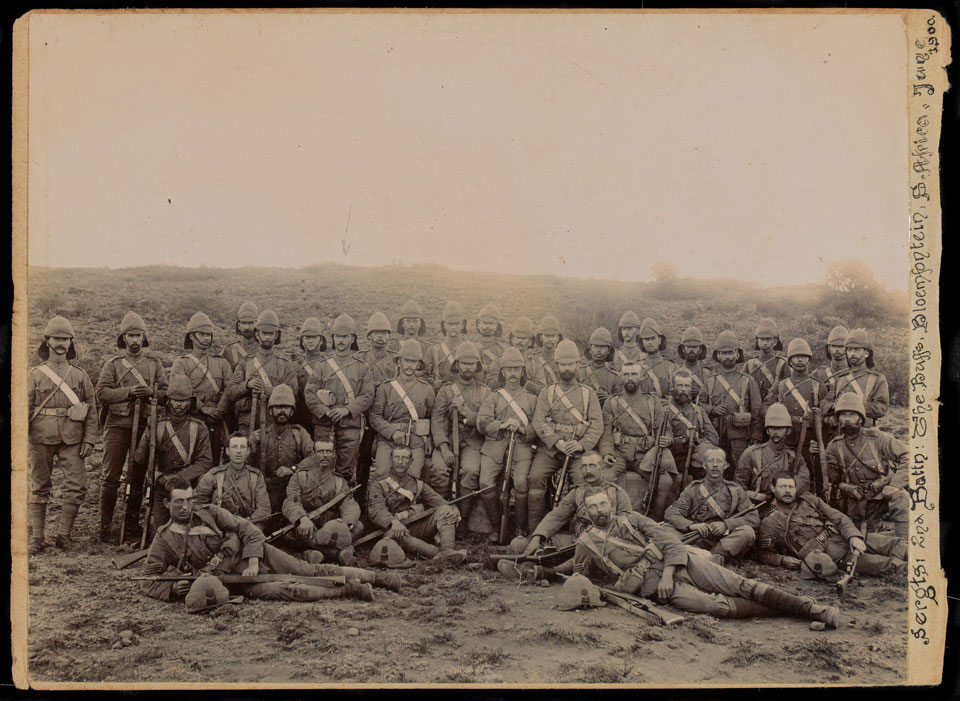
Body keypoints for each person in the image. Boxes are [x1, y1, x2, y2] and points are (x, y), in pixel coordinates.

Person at [571, 490, 840, 627]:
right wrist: (543, 572)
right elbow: (576, 574)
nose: (600, 510)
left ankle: (809, 609)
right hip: (653, 589)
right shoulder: (586, 543)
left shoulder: (632, 519)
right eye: (593, 506)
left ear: (611, 504)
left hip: (680, 562)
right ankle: (793, 608)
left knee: (740, 584)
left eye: (603, 504)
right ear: (586, 510)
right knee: (718, 608)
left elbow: (669, 542)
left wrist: (667, 573)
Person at [139, 477, 399, 604]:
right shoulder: (163, 540)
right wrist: (172, 590)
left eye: (189, 500)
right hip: (235, 582)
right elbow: (149, 579)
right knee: (291, 590)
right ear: (166, 503)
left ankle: (377, 578)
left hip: (256, 555)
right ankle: (352, 589)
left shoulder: (210, 512)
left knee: (309, 570)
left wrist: (253, 558)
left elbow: (249, 530)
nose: (186, 507)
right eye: (178, 502)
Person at [96, 311, 168, 543]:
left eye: (139, 335)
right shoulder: (113, 365)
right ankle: (105, 526)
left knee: (137, 476)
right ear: (123, 338)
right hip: (117, 426)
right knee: (111, 477)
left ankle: (131, 524)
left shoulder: (154, 364)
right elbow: (102, 393)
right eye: (130, 335)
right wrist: (128, 392)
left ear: (144, 337)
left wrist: (151, 392)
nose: (135, 340)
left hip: (144, 427)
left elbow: (167, 394)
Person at [28, 316, 98, 553]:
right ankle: (37, 538)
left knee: (77, 486)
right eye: (56, 338)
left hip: (72, 438)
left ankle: (63, 535)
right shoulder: (34, 375)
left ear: (71, 343)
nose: (61, 343)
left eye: (65, 339)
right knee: (39, 486)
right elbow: (23, 409)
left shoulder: (79, 376)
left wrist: (89, 439)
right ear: (46, 341)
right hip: (40, 436)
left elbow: (92, 409)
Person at [758, 472, 906, 577]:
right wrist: (782, 560)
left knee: (893, 544)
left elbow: (839, 518)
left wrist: (854, 537)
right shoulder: (771, 521)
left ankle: (922, 557)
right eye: (783, 487)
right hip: (834, 554)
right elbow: (762, 554)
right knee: (888, 565)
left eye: (791, 487)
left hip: (844, 537)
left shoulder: (810, 501)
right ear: (773, 489)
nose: (788, 491)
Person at [529, 339, 603, 528]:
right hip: (551, 449)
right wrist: (556, 442)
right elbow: (538, 421)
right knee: (536, 477)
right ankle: (535, 529)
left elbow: (597, 425)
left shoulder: (588, 394)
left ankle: (580, 529)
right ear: (557, 365)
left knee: (583, 482)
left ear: (577, 365)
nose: (567, 368)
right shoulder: (548, 392)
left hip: (577, 451)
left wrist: (582, 445)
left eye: (571, 364)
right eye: (563, 364)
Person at [817, 393, 908, 538]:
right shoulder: (834, 446)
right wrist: (817, 457)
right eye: (843, 415)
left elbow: (908, 456)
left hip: (880, 498)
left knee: (901, 497)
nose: (847, 419)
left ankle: (905, 543)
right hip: (853, 501)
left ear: (860, 418)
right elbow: (832, 479)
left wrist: (895, 484)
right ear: (838, 418)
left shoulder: (878, 439)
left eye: (852, 415)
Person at [131, 375, 213, 535]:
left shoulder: (199, 428)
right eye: (175, 400)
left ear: (190, 402)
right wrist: (148, 434)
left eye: (183, 400)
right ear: (168, 401)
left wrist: (180, 477)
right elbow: (140, 458)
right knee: (161, 532)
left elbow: (205, 462)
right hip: (162, 484)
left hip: (188, 484)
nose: (179, 404)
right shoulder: (157, 425)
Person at [598, 361, 676, 521]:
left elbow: (665, 428)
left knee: (665, 481)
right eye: (626, 374)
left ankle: (654, 520)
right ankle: (611, 520)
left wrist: (666, 439)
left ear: (641, 377)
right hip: (619, 453)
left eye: (634, 374)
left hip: (645, 454)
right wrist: (606, 453)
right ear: (620, 376)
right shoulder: (611, 403)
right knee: (604, 477)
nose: (630, 378)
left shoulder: (652, 402)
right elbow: (606, 434)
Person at [303, 314, 373, 485]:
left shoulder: (362, 368)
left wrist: (347, 410)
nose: (341, 340)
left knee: (346, 471)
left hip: (350, 426)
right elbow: (309, 393)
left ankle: (344, 505)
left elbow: (367, 395)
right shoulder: (322, 366)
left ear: (352, 339)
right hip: (324, 425)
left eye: (345, 336)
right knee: (322, 466)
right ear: (332, 338)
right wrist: (325, 411)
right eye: (338, 336)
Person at [477, 347, 539, 537]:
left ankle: (520, 527)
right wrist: (503, 424)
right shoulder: (494, 397)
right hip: (494, 447)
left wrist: (521, 429)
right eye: (508, 369)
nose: (512, 374)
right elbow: (482, 423)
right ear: (502, 372)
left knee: (521, 482)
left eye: (516, 369)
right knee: (485, 482)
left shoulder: (532, 399)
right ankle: (498, 526)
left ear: (522, 372)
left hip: (521, 448)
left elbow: (538, 425)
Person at [366, 445, 467, 562]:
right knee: (396, 534)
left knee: (446, 510)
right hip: (392, 530)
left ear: (411, 461)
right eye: (396, 457)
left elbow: (440, 502)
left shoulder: (417, 484)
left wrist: (453, 509)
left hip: (415, 526)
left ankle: (447, 549)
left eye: (404, 458)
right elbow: (377, 511)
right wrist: (393, 522)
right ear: (390, 459)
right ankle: (438, 554)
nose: (400, 462)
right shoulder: (379, 485)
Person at [431, 341, 491, 530]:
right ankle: (441, 517)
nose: (467, 367)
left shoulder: (484, 392)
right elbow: (437, 419)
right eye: (463, 363)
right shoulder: (446, 391)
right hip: (448, 441)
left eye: (471, 363)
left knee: (471, 471)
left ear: (477, 366)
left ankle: (463, 519)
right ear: (456, 365)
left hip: (473, 442)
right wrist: (443, 447)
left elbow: (485, 420)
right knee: (439, 469)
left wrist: (466, 413)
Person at [664, 446, 759, 561]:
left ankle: (707, 557)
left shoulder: (735, 490)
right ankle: (708, 557)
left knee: (747, 532)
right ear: (704, 465)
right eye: (710, 461)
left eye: (719, 461)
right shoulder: (693, 489)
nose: (715, 465)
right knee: (665, 528)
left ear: (725, 465)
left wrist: (726, 525)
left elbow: (753, 518)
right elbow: (671, 513)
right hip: (697, 538)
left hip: (724, 540)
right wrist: (691, 525)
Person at [282, 439, 363, 566]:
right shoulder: (300, 477)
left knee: (358, 527)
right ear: (313, 454)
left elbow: (349, 504)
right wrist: (302, 518)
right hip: (309, 525)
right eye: (320, 451)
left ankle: (313, 552)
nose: (325, 455)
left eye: (328, 451)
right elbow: (291, 501)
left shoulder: (339, 481)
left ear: (334, 455)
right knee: (291, 534)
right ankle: (337, 554)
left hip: (332, 526)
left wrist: (346, 524)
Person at [764, 338, 827, 496]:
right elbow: (764, 408)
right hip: (785, 441)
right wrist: (781, 417)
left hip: (808, 443)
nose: (800, 360)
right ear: (789, 361)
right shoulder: (781, 385)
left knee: (809, 480)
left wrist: (819, 443)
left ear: (809, 360)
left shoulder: (818, 386)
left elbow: (825, 420)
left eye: (804, 356)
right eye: (795, 357)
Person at [169, 312, 233, 463]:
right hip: (192, 418)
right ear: (191, 336)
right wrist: (202, 407)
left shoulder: (221, 363)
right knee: (190, 460)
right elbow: (179, 391)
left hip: (216, 419)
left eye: (208, 335)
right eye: (202, 334)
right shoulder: (182, 363)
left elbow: (231, 389)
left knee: (214, 460)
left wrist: (219, 410)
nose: (206, 338)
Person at [368, 340, 436, 481]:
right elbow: (375, 416)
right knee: (382, 473)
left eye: (414, 361)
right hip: (388, 439)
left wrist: (429, 438)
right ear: (399, 362)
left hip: (416, 440)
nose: (410, 365)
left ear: (418, 364)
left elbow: (432, 416)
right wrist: (392, 432)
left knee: (412, 477)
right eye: (406, 360)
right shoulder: (385, 388)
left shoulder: (426, 389)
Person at [224, 310, 298, 436]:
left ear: (276, 336)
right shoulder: (245, 364)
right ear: (257, 334)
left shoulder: (285, 364)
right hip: (247, 424)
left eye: (271, 334)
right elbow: (230, 392)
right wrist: (247, 385)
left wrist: (267, 390)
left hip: (273, 423)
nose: (268, 337)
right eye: (264, 333)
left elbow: (293, 391)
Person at [248, 384, 315, 512]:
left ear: (292, 411)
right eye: (278, 407)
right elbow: (247, 465)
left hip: (293, 490)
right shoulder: (260, 435)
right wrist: (251, 445)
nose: (282, 411)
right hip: (265, 491)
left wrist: (293, 469)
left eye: (286, 407)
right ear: (270, 411)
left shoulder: (299, 433)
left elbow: (313, 457)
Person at [704, 330, 762, 475]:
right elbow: (698, 406)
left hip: (740, 437)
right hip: (714, 436)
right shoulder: (710, 380)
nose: (727, 356)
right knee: (714, 472)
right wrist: (712, 410)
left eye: (731, 352)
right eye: (724, 353)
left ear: (737, 354)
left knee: (741, 471)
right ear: (718, 355)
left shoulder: (748, 380)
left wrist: (756, 437)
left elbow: (756, 411)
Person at [735, 403, 809, 506]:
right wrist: (752, 495)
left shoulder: (794, 457)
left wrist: (782, 495)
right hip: (757, 506)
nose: (775, 432)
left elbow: (804, 480)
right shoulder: (751, 454)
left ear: (788, 430)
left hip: (785, 506)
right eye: (772, 428)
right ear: (767, 430)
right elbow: (739, 485)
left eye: (780, 428)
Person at [194, 433, 270, 524]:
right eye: (234, 447)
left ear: (248, 451)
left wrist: (245, 524)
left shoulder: (255, 476)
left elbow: (264, 509)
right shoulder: (214, 475)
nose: (238, 451)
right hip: (219, 526)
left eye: (242, 447)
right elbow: (197, 502)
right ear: (227, 451)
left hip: (248, 525)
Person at [665, 370, 718, 487]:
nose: (683, 389)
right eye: (679, 385)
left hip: (695, 458)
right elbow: (666, 439)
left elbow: (714, 438)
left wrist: (697, 439)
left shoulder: (698, 410)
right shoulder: (666, 411)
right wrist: (684, 439)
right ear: (673, 387)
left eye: (687, 386)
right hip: (674, 458)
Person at [830, 329, 889, 427]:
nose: (852, 353)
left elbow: (881, 408)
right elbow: (829, 404)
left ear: (866, 353)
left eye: (857, 349)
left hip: (865, 432)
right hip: (840, 432)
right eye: (849, 349)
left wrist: (852, 406)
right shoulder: (840, 379)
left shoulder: (877, 379)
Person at [812, 325, 849, 445]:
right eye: (834, 346)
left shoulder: (853, 374)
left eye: (841, 346)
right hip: (824, 428)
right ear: (829, 348)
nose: (837, 350)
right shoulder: (819, 374)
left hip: (849, 427)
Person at [292, 317, 328, 431]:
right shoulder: (295, 365)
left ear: (321, 340)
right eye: (307, 337)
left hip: (322, 416)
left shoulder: (329, 364)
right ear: (302, 340)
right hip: (300, 416)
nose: (310, 341)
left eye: (314, 337)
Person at [743, 318, 788, 403]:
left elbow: (788, 389)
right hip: (753, 408)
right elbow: (743, 390)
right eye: (762, 339)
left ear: (775, 341)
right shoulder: (749, 364)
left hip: (775, 407)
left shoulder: (783, 364)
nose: (764, 342)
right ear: (757, 341)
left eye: (768, 339)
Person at [426, 301, 468, 390]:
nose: (453, 327)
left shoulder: (470, 349)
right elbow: (422, 377)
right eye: (450, 324)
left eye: (457, 324)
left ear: (462, 325)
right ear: (444, 324)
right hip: (439, 397)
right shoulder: (434, 350)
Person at [576, 327, 621, 406]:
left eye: (603, 347)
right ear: (590, 349)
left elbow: (620, 404)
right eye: (596, 346)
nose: (599, 350)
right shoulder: (580, 372)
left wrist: (608, 398)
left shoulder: (614, 378)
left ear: (609, 351)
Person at [636, 317, 677, 400]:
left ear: (659, 340)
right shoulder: (637, 367)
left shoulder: (671, 367)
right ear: (642, 342)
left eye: (653, 338)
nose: (650, 342)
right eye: (646, 339)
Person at [358, 311, 398, 388]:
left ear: (388, 336)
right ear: (369, 336)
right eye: (376, 333)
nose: (380, 336)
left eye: (384, 333)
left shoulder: (395, 359)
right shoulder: (360, 358)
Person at [221, 301, 260, 371]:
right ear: (239, 325)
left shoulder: (264, 349)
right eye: (243, 323)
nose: (246, 327)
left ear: (257, 324)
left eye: (250, 323)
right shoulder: (228, 351)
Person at [675, 326, 711, 403]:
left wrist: (700, 393)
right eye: (688, 347)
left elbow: (713, 400)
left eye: (695, 347)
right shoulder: (675, 372)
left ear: (700, 349)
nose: (691, 350)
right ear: (683, 349)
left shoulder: (708, 375)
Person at [475, 304, 506, 385]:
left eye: (491, 324)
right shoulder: (471, 348)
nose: (487, 327)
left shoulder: (502, 351)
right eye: (484, 323)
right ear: (478, 324)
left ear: (496, 326)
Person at [530, 315, 563, 386]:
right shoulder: (534, 358)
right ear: (541, 337)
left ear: (557, 338)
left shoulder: (562, 357)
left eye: (553, 336)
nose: (550, 339)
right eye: (547, 336)